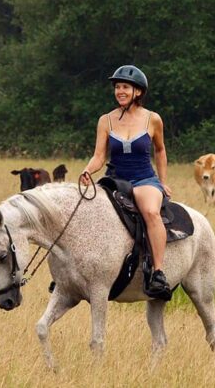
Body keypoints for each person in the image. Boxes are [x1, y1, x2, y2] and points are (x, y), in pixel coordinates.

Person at [81, 65, 172, 300]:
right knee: (85, 210)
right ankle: (73, 272)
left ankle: (158, 273)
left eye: (125, 87)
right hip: (115, 180)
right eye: (117, 87)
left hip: (144, 179)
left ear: (138, 92)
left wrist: (162, 182)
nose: (120, 91)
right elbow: (99, 156)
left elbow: (160, 151)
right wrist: (88, 170)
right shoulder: (106, 120)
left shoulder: (153, 119)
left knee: (151, 212)